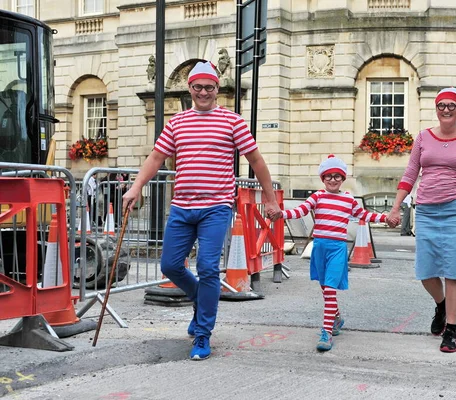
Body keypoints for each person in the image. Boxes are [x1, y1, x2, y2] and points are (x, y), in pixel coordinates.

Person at [122, 61, 281, 361]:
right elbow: (156, 157)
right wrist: (136, 186)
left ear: (217, 89)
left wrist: (270, 199)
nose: (203, 92)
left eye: (209, 87)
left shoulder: (233, 121)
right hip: (182, 207)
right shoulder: (177, 123)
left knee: (208, 268)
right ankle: (201, 298)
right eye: (198, 87)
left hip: (216, 207)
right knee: (169, 266)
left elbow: (256, 161)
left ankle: (203, 333)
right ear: (190, 88)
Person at [386, 87, 456, 353]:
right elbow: (410, 174)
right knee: (426, 270)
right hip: (428, 211)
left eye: (451, 105)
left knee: (455, 271)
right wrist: (396, 207)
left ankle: (451, 330)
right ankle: (441, 304)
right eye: (441, 105)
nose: (446, 109)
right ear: (436, 108)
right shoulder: (423, 138)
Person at [280, 155, 387, 352]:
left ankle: (326, 332)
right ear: (323, 178)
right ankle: (336, 318)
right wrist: (281, 214)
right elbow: (301, 211)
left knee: (330, 289)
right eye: (328, 176)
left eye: (337, 176)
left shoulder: (348, 199)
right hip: (319, 247)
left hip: (337, 248)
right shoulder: (317, 197)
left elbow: (365, 214)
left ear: (343, 178)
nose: (333, 179)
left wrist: (386, 217)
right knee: (324, 289)